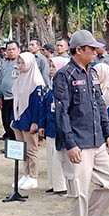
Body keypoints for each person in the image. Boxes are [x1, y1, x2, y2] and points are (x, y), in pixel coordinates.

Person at [53, 30, 109, 216]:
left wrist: (108, 132)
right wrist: (70, 145)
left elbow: (100, 104)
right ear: (79, 50)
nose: (96, 52)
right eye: (91, 48)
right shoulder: (64, 76)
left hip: (97, 141)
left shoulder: (92, 72)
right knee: (79, 195)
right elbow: (61, 113)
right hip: (77, 145)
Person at [10, 51, 45, 188]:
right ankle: (26, 174)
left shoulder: (36, 82)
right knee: (22, 149)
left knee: (31, 149)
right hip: (19, 119)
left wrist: (35, 122)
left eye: (22, 63)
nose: (20, 65)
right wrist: (14, 118)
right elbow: (16, 100)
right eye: (18, 63)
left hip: (29, 120)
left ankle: (33, 176)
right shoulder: (21, 79)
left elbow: (38, 106)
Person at [38, 56, 69, 195]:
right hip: (50, 128)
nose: (51, 69)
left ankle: (62, 186)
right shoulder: (50, 87)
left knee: (59, 159)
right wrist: (42, 125)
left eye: (54, 67)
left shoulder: (64, 86)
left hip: (60, 129)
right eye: (50, 66)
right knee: (51, 159)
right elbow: (44, 108)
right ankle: (54, 184)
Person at [0, 40, 21, 142]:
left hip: (16, 98)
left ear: (19, 50)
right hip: (5, 97)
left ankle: (15, 143)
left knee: (14, 122)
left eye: (13, 49)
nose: (11, 51)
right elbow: (1, 80)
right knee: (6, 121)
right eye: (9, 49)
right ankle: (9, 141)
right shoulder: (4, 64)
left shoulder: (21, 63)